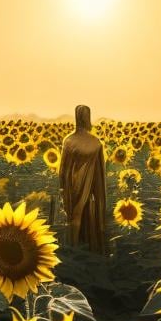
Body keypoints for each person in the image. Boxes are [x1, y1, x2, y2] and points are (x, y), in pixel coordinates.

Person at [59, 105, 107, 252]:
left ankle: (72, 248)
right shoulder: (96, 142)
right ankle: (84, 248)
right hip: (89, 185)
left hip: (71, 184)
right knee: (82, 214)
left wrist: (63, 187)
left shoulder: (69, 141)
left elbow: (62, 169)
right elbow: (100, 171)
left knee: (73, 216)